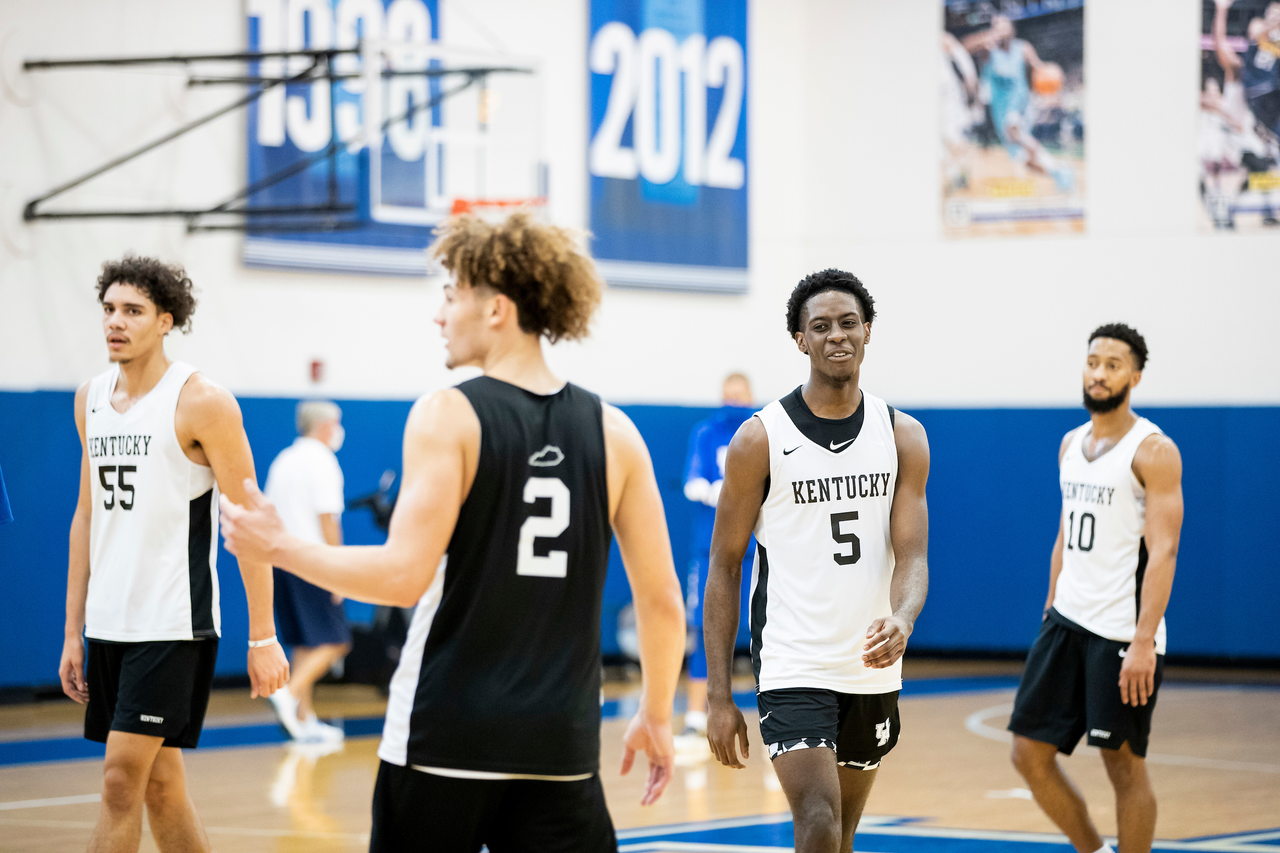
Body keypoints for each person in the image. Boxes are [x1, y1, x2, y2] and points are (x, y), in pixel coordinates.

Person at [221, 211, 686, 852]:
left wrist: (279, 546)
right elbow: (662, 602)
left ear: (496, 308)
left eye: (449, 295)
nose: (439, 314)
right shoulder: (617, 433)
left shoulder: (449, 414)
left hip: (445, 735)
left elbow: (402, 577)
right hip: (560, 743)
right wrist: (656, 714)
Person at [60, 256, 289, 853]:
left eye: (132, 311)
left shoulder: (202, 401)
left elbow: (250, 522)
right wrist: (71, 632)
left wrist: (263, 637)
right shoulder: (89, 398)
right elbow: (86, 517)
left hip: (172, 624)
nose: (116, 322)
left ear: (165, 321)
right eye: (109, 309)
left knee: (118, 783)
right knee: (161, 787)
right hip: (110, 621)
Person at [704, 269, 930, 853]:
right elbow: (725, 567)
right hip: (792, 659)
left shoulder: (901, 435)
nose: (837, 336)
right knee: (818, 820)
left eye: (848, 323)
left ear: (868, 331)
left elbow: (913, 555)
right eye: (821, 326)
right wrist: (718, 695)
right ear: (799, 340)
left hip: (871, 662)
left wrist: (902, 618)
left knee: (843, 833)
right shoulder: (760, 440)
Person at [1008, 323, 1183, 853]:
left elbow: (1165, 552)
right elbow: (1065, 533)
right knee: (1027, 753)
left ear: (1135, 376)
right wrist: (1049, 607)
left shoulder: (1153, 450)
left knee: (1123, 766)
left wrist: (1143, 642)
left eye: (1112, 364)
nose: (1099, 373)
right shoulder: (1070, 443)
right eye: (1093, 361)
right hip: (1066, 622)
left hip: (1120, 634)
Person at [263, 400, 352, 743]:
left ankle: (304, 719)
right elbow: (327, 518)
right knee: (336, 640)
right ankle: (289, 692)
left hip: (281, 560)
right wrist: (339, 571)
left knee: (304, 641)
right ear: (327, 426)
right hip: (313, 562)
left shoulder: (284, 460)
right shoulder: (323, 461)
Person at [680, 373, 754, 737]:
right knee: (703, 626)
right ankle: (696, 717)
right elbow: (692, 479)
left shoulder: (761, 431)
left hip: (755, 549)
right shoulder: (705, 433)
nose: (733, 402)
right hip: (709, 550)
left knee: (768, 632)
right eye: (728, 395)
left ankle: (776, 716)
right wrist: (705, 488)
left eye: (739, 396)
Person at [963, 15, 1074, 192]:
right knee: (1024, 159)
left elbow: (1040, 69)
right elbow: (964, 47)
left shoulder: (1022, 48)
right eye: (996, 27)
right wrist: (987, 36)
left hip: (1021, 105)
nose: (1000, 30)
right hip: (1000, 110)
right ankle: (1058, 172)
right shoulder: (988, 50)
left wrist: (1055, 83)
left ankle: (1059, 171)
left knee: (1013, 131)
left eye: (1004, 27)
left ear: (1012, 30)